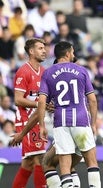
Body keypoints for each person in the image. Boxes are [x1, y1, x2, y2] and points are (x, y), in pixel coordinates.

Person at [37, 41, 101, 188]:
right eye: (72, 52)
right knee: (91, 162)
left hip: (61, 122)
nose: (73, 54)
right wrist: (93, 123)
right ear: (67, 53)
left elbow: (41, 102)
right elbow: (92, 100)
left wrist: (41, 125)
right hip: (81, 120)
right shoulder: (81, 71)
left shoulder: (47, 73)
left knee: (65, 166)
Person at [12, 38, 47, 188]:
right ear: (31, 51)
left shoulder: (44, 72)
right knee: (40, 158)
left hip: (37, 120)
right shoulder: (23, 71)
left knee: (28, 163)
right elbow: (18, 100)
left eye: (44, 48)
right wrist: (40, 104)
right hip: (26, 120)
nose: (44, 50)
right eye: (40, 48)